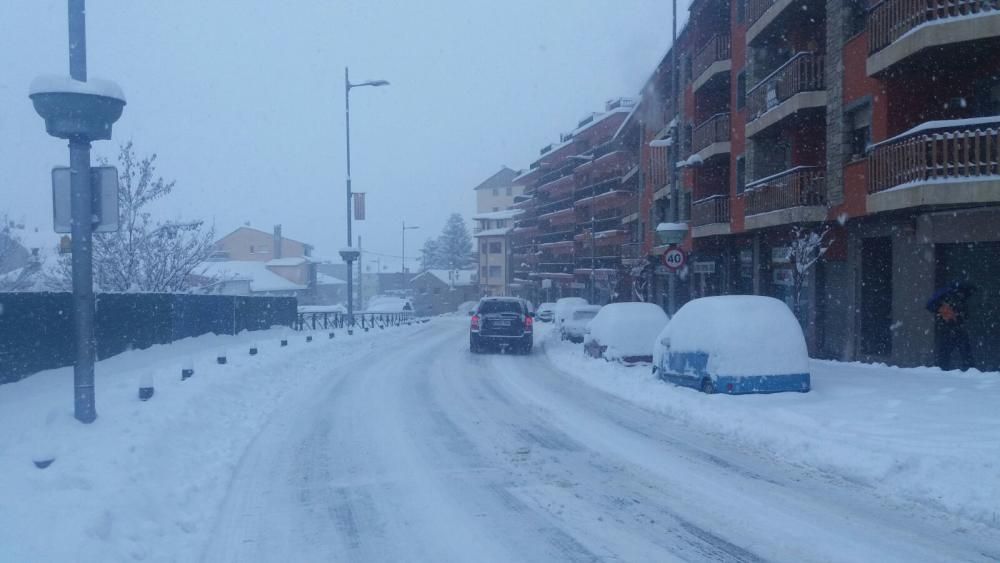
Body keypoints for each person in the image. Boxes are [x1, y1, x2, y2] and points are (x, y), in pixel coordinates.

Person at [926, 282, 975, 371]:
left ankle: (944, 370)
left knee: (949, 353)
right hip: (950, 328)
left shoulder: (955, 298)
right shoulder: (951, 297)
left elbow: (964, 314)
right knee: (957, 353)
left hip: (952, 328)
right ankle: (967, 370)